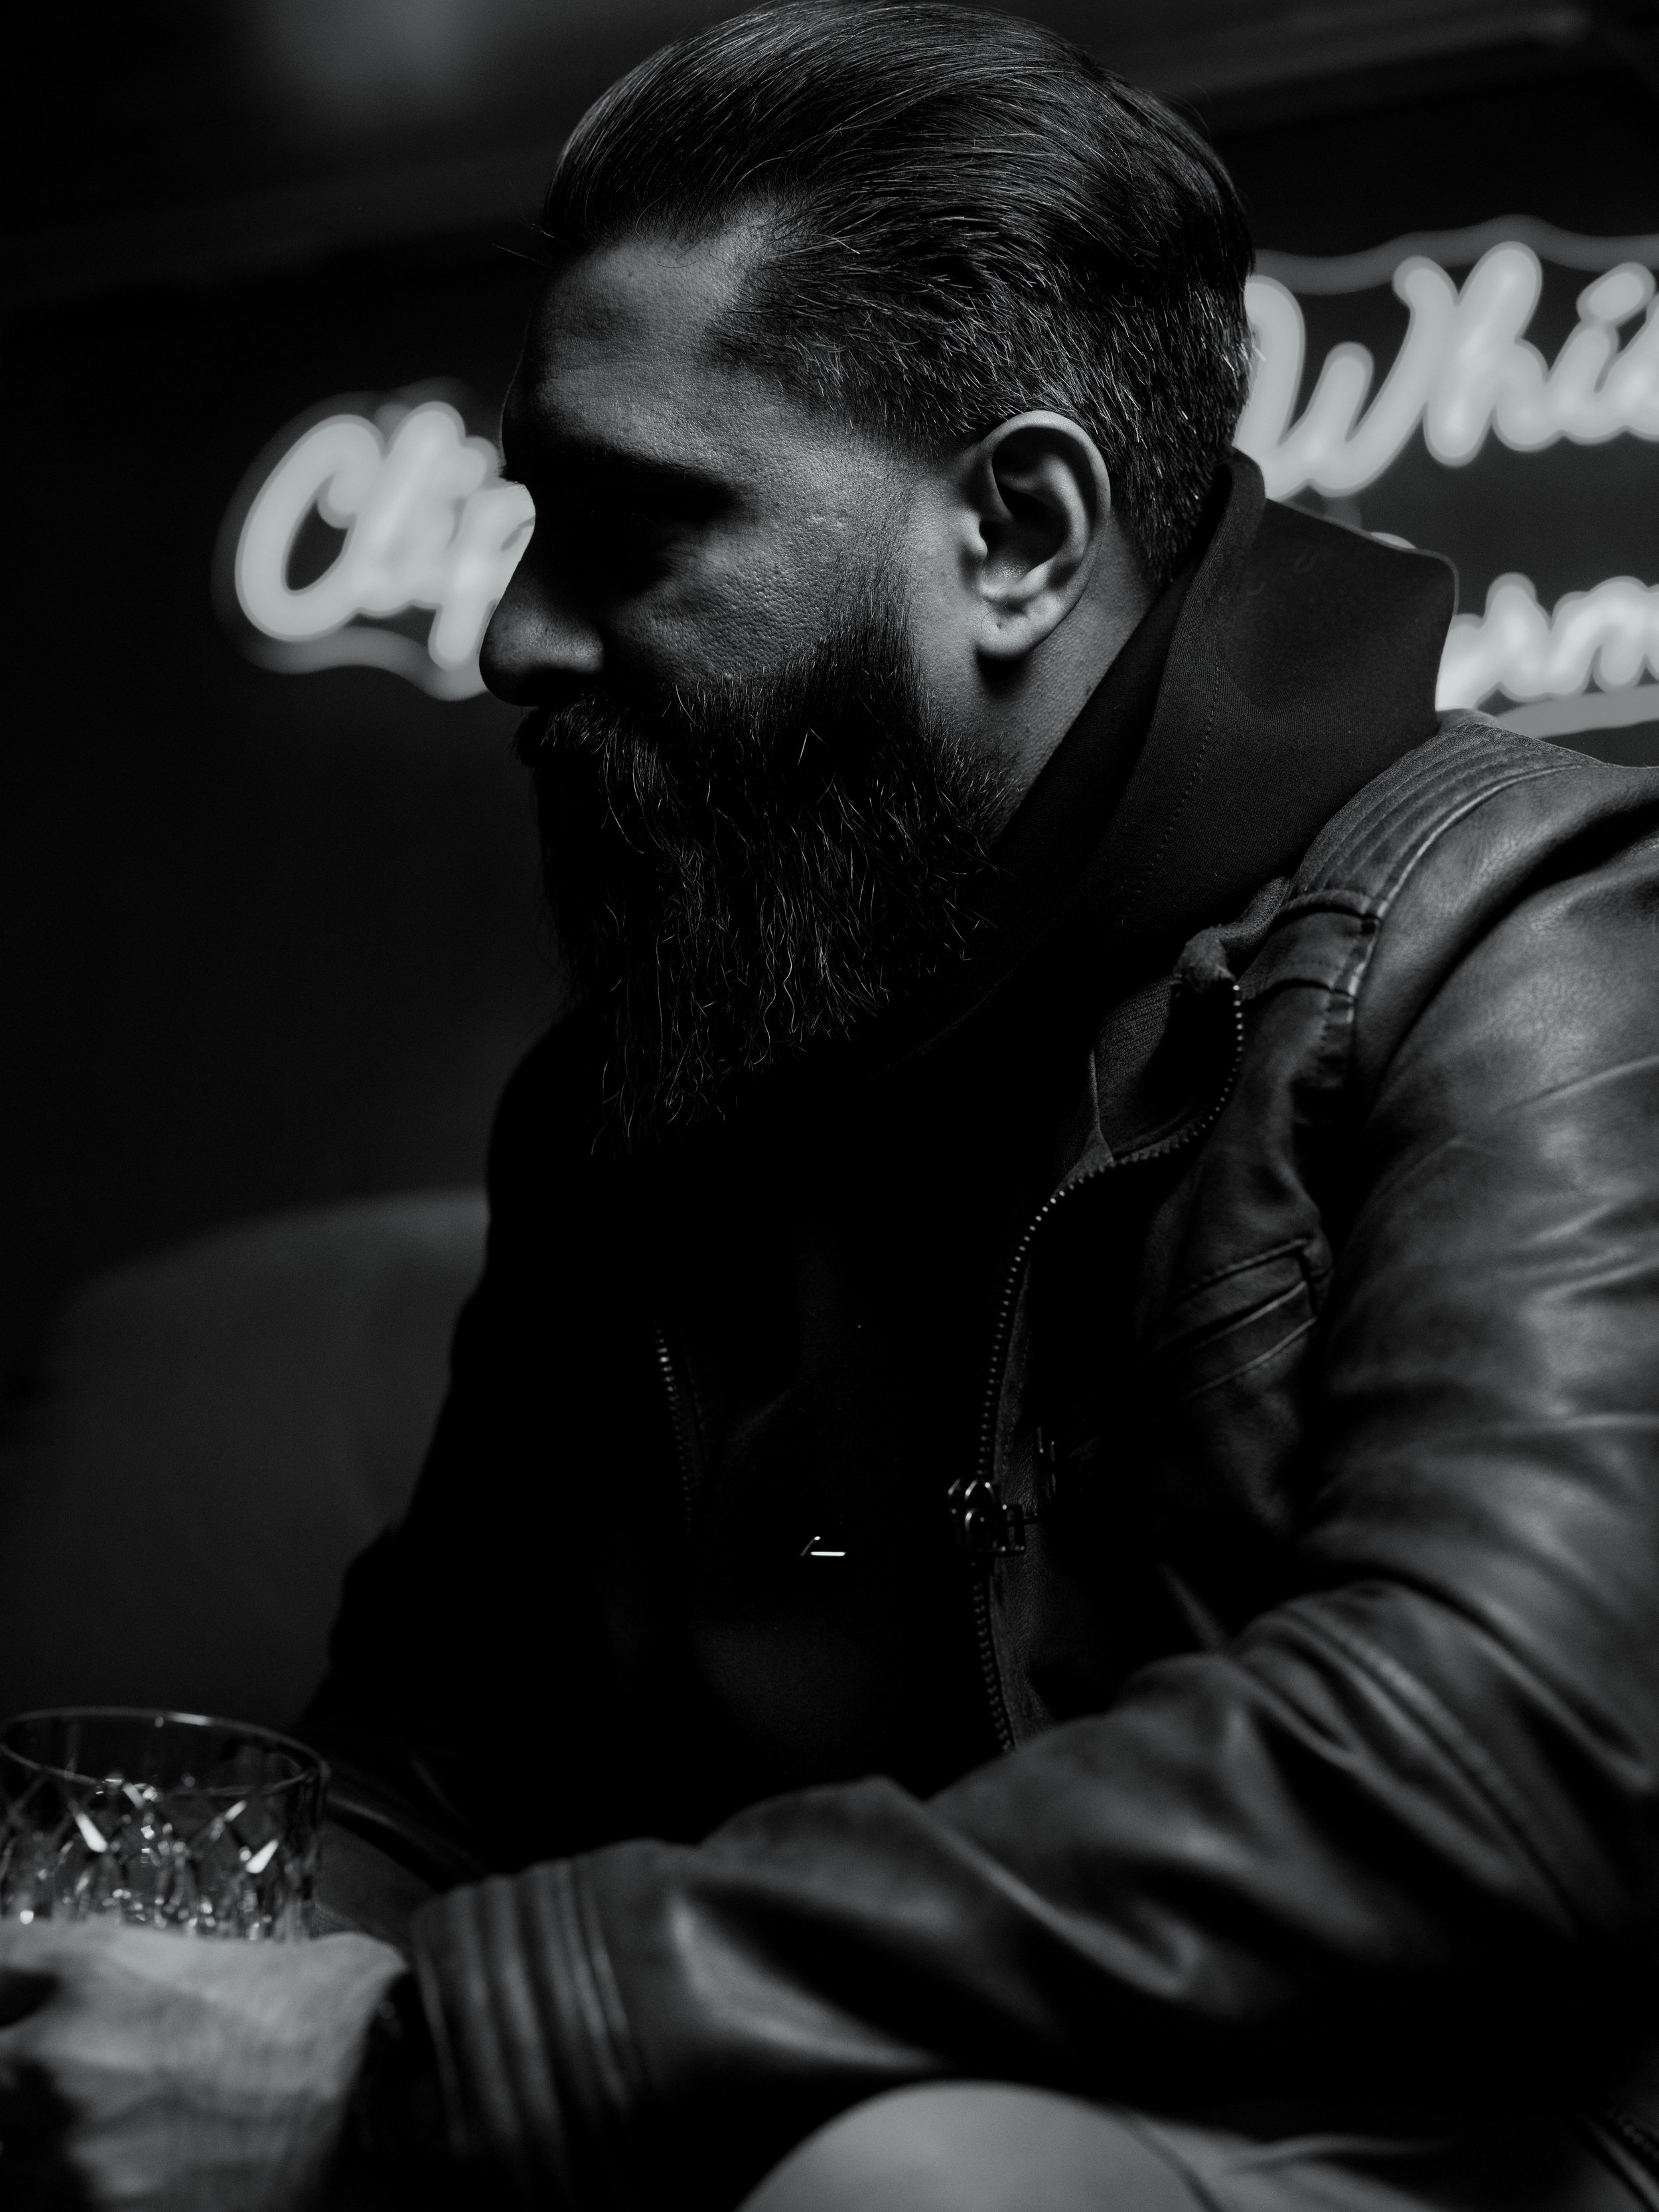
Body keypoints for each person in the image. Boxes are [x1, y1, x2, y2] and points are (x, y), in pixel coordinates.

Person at [5, 5, 1659, 2207]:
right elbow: (444, 1769)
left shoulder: (1529, 937)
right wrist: (154, 1998)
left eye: (631, 528)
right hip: (717, 2103)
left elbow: (1485, 1768)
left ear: (1017, 529)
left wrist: (429, 2047)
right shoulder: (649, 1071)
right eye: (529, 522)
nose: (512, 637)